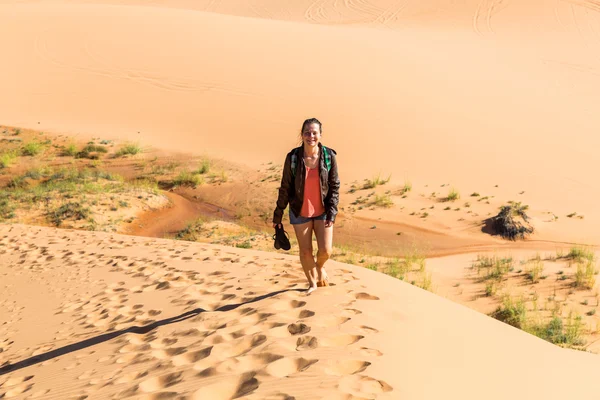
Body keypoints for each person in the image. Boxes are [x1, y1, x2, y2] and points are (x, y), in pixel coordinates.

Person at [273, 118, 340, 295]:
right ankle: (312, 283)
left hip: (323, 211)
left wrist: (332, 213)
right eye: (307, 132)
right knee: (305, 251)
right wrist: (277, 215)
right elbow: (285, 187)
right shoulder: (293, 158)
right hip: (299, 211)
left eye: (314, 132)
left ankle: (319, 267)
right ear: (301, 135)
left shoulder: (328, 156)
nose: (311, 136)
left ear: (320, 135)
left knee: (326, 250)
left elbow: (334, 186)